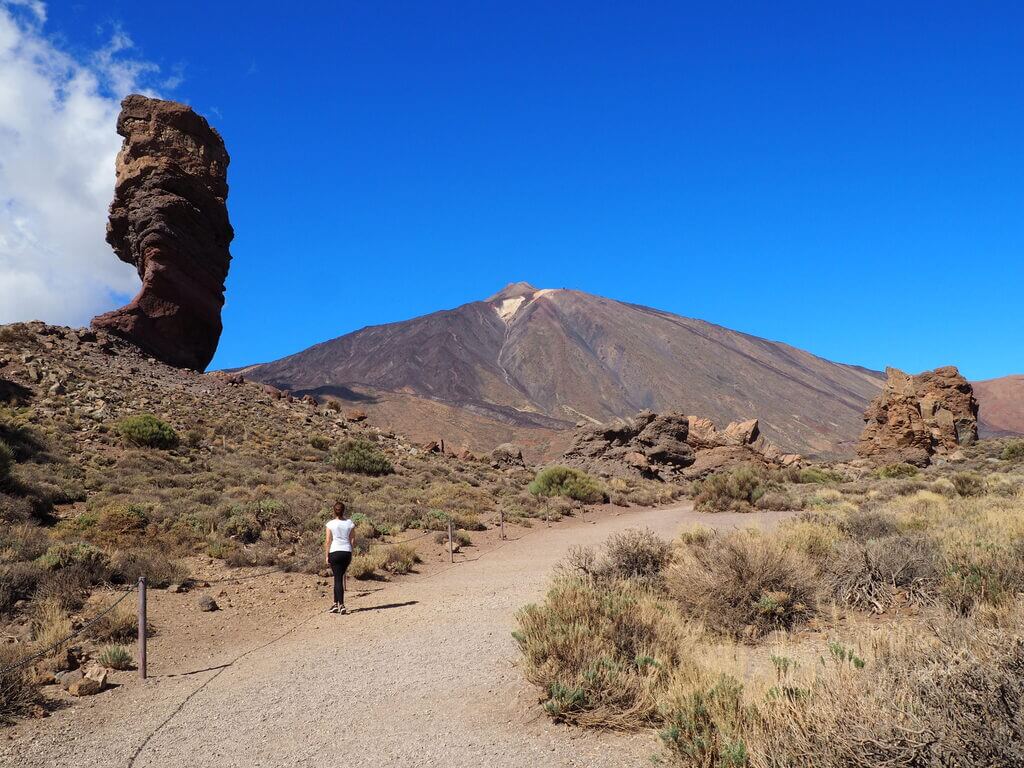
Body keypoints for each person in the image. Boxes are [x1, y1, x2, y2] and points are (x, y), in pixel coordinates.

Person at [324, 500, 356, 614]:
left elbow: (328, 541)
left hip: (335, 552)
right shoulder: (350, 523)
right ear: (343, 511)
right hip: (346, 552)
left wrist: (327, 555)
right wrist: (351, 551)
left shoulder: (330, 524)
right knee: (339, 577)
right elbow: (352, 540)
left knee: (337, 579)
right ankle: (334, 604)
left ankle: (341, 605)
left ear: (334, 511)